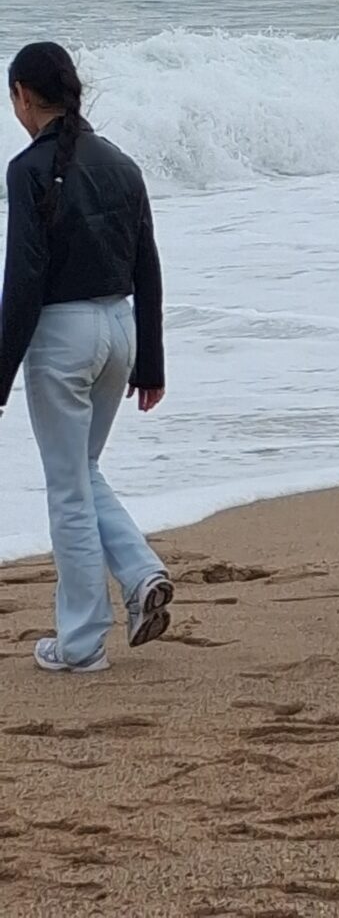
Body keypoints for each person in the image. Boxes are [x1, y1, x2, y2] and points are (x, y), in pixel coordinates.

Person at [0, 42, 173, 673]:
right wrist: (151, 361)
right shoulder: (121, 162)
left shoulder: (28, 168)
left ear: (23, 95)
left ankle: (80, 642)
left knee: (68, 488)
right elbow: (148, 263)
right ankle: (141, 573)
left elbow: (23, 278)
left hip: (63, 337)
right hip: (119, 329)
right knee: (82, 471)